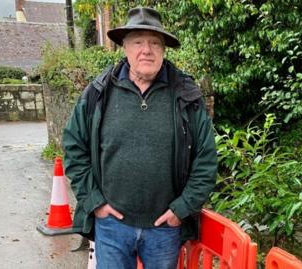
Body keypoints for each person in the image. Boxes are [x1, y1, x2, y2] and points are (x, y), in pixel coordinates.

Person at [62, 6, 217, 269]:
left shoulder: (185, 95)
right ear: (124, 47)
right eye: (138, 42)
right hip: (111, 227)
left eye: (154, 42)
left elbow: (206, 159)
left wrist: (182, 210)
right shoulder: (98, 93)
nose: (146, 49)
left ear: (164, 49)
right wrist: (95, 202)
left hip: (164, 229)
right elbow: (73, 147)